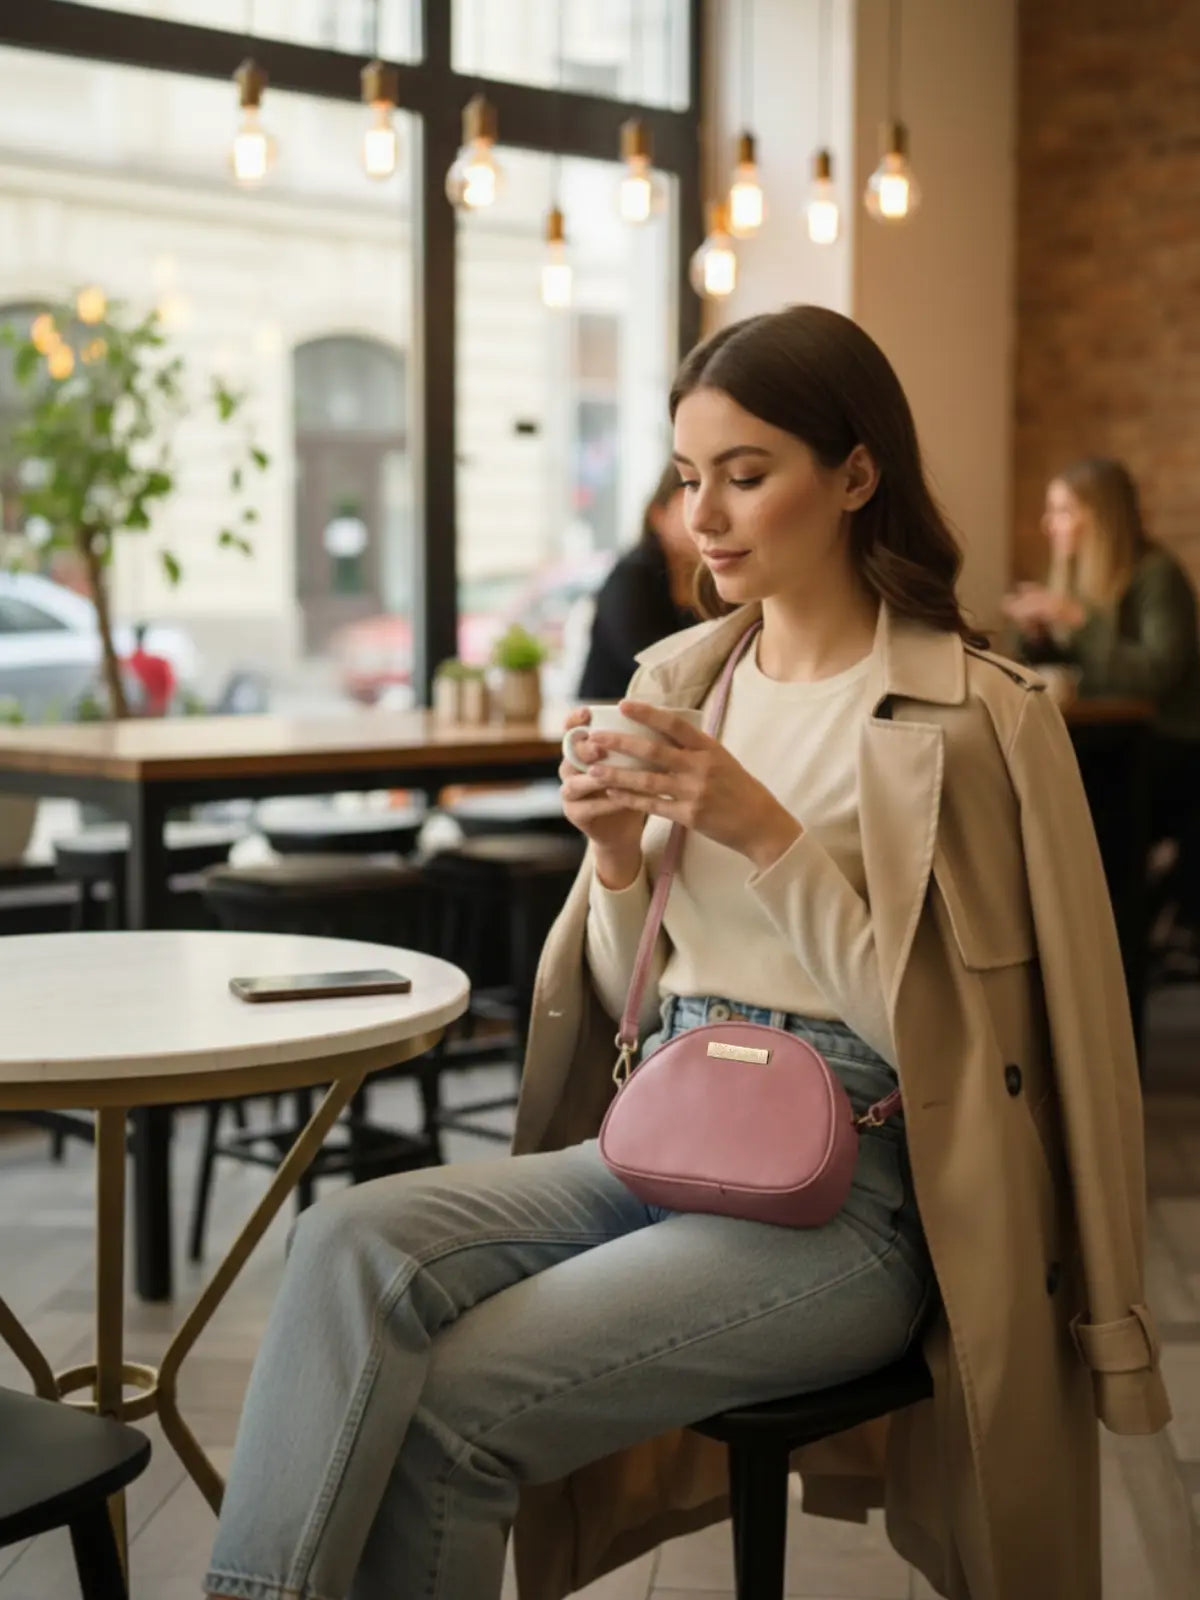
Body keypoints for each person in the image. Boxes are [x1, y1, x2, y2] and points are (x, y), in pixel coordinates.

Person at [205, 307, 1168, 1600]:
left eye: (747, 474)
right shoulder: (679, 684)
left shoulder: (977, 717)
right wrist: (611, 863)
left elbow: (966, 1051)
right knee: (342, 1241)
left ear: (856, 475)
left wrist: (764, 833)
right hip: (662, 1124)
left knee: (455, 1408)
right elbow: (627, 998)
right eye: (686, 476)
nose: (702, 515)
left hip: (858, 1195)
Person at [1003, 457, 1200, 937]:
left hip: (1173, 745)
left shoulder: (1156, 576)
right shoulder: (1075, 580)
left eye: (1064, 511)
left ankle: (1115, 933)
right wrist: (1039, 637)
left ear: (1102, 516)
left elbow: (1156, 674)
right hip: (1107, 740)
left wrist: (1076, 621)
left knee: (1094, 798)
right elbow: (1074, 676)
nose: (1049, 525)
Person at [577, 461, 700, 699]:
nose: (704, 520)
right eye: (689, 504)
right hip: (611, 717)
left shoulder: (713, 581)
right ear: (658, 515)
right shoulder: (632, 576)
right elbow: (653, 667)